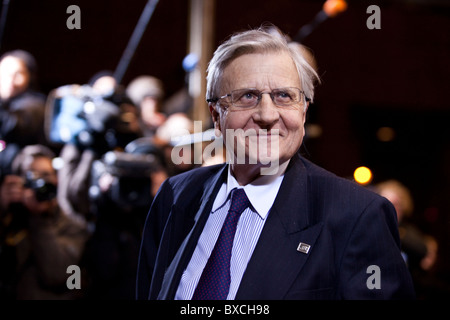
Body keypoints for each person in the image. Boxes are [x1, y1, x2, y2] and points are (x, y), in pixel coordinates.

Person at [136, 25, 415, 300]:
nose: (267, 115)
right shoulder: (176, 196)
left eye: (284, 96)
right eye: (248, 96)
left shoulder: (357, 216)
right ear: (217, 116)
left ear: (303, 112)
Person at [0, 145, 90, 299]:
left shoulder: (74, 226)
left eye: (46, 175)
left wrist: (40, 219)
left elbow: (62, 277)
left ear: (56, 180)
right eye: (32, 176)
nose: (40, 183)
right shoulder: (9, 219)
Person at [0, 50, 47, 179]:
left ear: (29, 76)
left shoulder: (35, 104)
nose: (10, 80)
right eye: (5, 73)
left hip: (17, 176)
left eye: (18, 74)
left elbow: (13, 127)